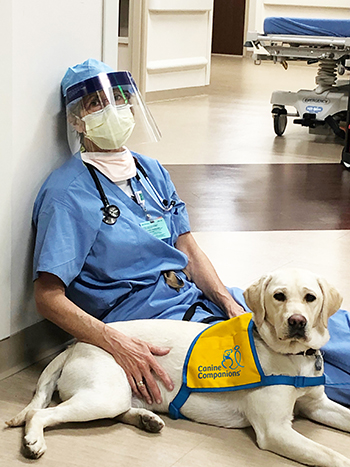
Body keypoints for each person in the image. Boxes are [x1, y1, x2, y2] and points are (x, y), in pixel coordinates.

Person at [32, 58, 246, 406]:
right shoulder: (67, 194)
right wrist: (115, 341)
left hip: (190, 297)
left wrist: (228, 303)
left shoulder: (150, 171)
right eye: (97, 103)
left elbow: (186, 247)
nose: (113, 110)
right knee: (283, 363)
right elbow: (48, 297)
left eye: (119, 98)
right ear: (76, 120)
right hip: (146, 318)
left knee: (314, 323)